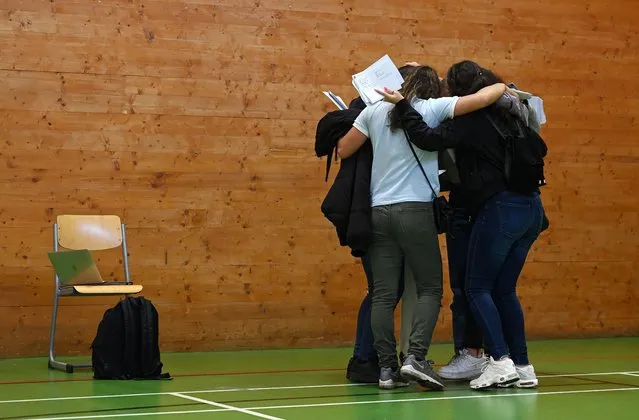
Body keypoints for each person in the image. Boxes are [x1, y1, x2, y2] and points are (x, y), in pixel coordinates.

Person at [337, 65, 509, 390]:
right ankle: (416, 358)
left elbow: (344, 148)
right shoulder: (432, 108)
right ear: (433, 88)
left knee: (383, 294)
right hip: (415, 211)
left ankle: (386, 369)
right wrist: (502, 88)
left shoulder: (374, 112)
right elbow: (482, 98)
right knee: (430, 288)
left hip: (377, 211)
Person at [377, 60, 545, 390]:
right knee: (503, 290)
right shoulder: (513, 115)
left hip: (499, 209)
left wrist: (403, 105)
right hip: (531, 208)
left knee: (475, 287)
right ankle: (523, 366)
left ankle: (498, 360)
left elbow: (427, 138)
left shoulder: (471, 119)